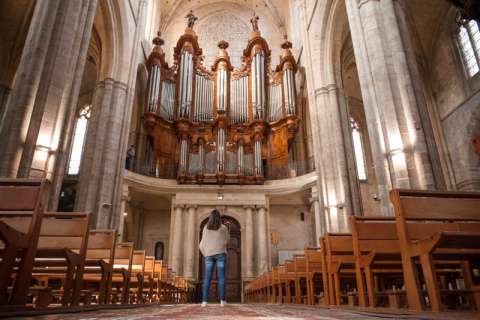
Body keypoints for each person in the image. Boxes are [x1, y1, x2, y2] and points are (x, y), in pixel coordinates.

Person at [199, 209, 230, 307]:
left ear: (210, 217)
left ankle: (204, 301)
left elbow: (202, 244)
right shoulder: (223, 228)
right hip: (221, 254)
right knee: (221, 278)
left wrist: (206, 253)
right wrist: (228, 232)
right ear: (219, 218)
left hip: (208, 255)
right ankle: (222, 301)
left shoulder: (205, 227)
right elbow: (227, 241)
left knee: (207, 278)